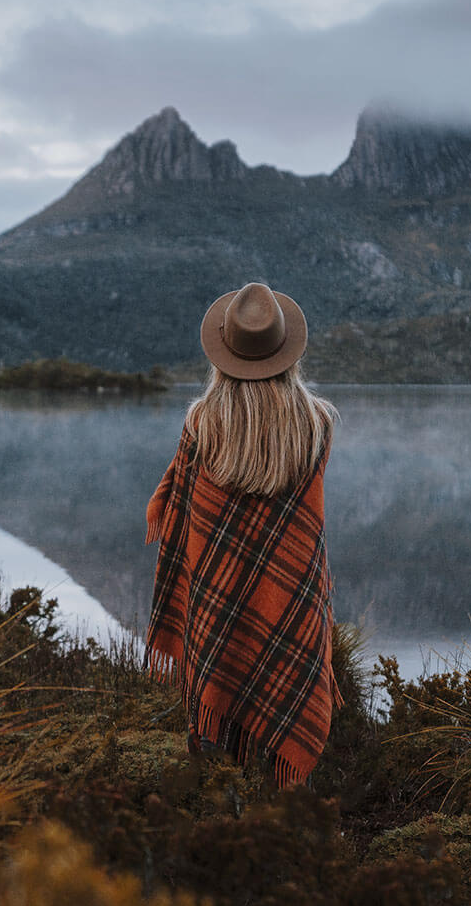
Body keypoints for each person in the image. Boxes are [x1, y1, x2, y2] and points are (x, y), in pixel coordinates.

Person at [144, 281, 340, 789]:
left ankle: (218, 795)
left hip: (218, 598)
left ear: (223, 355)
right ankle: (279, 802)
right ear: (286, 351)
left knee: (214, 760)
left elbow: (186, 518)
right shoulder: (317, 425)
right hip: (290, 594)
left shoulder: (202, 424)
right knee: (279, 735)